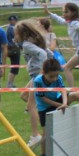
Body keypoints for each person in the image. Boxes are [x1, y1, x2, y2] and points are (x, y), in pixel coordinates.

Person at [15, 19, 52, 148]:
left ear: (23, 34)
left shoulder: (26, 45)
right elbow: (49, 53)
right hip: (36, 75)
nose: (15, 37)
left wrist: (43, 71)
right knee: (24, 96)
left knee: (31, 106)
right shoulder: (33, 42)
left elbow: (42, 54)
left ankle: (36, 135)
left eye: (16, 34)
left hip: (37, 76)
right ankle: (44, 114)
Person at [5, 15, 20, 88]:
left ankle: (10, 83)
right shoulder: (12, 29)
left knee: (15, 67)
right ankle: (9, 84)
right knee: (15, 67)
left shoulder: (9, 28)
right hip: (14, 49)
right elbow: (16, 39)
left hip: (11, 48)